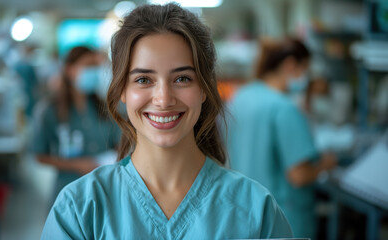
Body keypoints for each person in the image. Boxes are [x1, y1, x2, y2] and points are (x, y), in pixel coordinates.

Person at [41, 4, 292, 239]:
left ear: (204, 88)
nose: (163, 99)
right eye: (143, 80)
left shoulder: (256, 209)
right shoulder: (80, 208)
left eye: (182, 79)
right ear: (122, 91)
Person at [226, 37, 337, 239]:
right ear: (290, 65)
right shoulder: (285, 109)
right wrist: (326, 163)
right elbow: (299, 175)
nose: (306, 77)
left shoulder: (242, 96)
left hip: (245, 211)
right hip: (283, 219)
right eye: (305, 69)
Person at [32, 46, 120, 203]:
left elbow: (119, 143)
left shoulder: (105, 108)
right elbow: (39, 154)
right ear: (69, 70)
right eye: (88, 66)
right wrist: (77, 165)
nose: (94, 71)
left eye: (96, 66)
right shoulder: (50, 111)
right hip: (68, 190)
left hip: (103, 189)